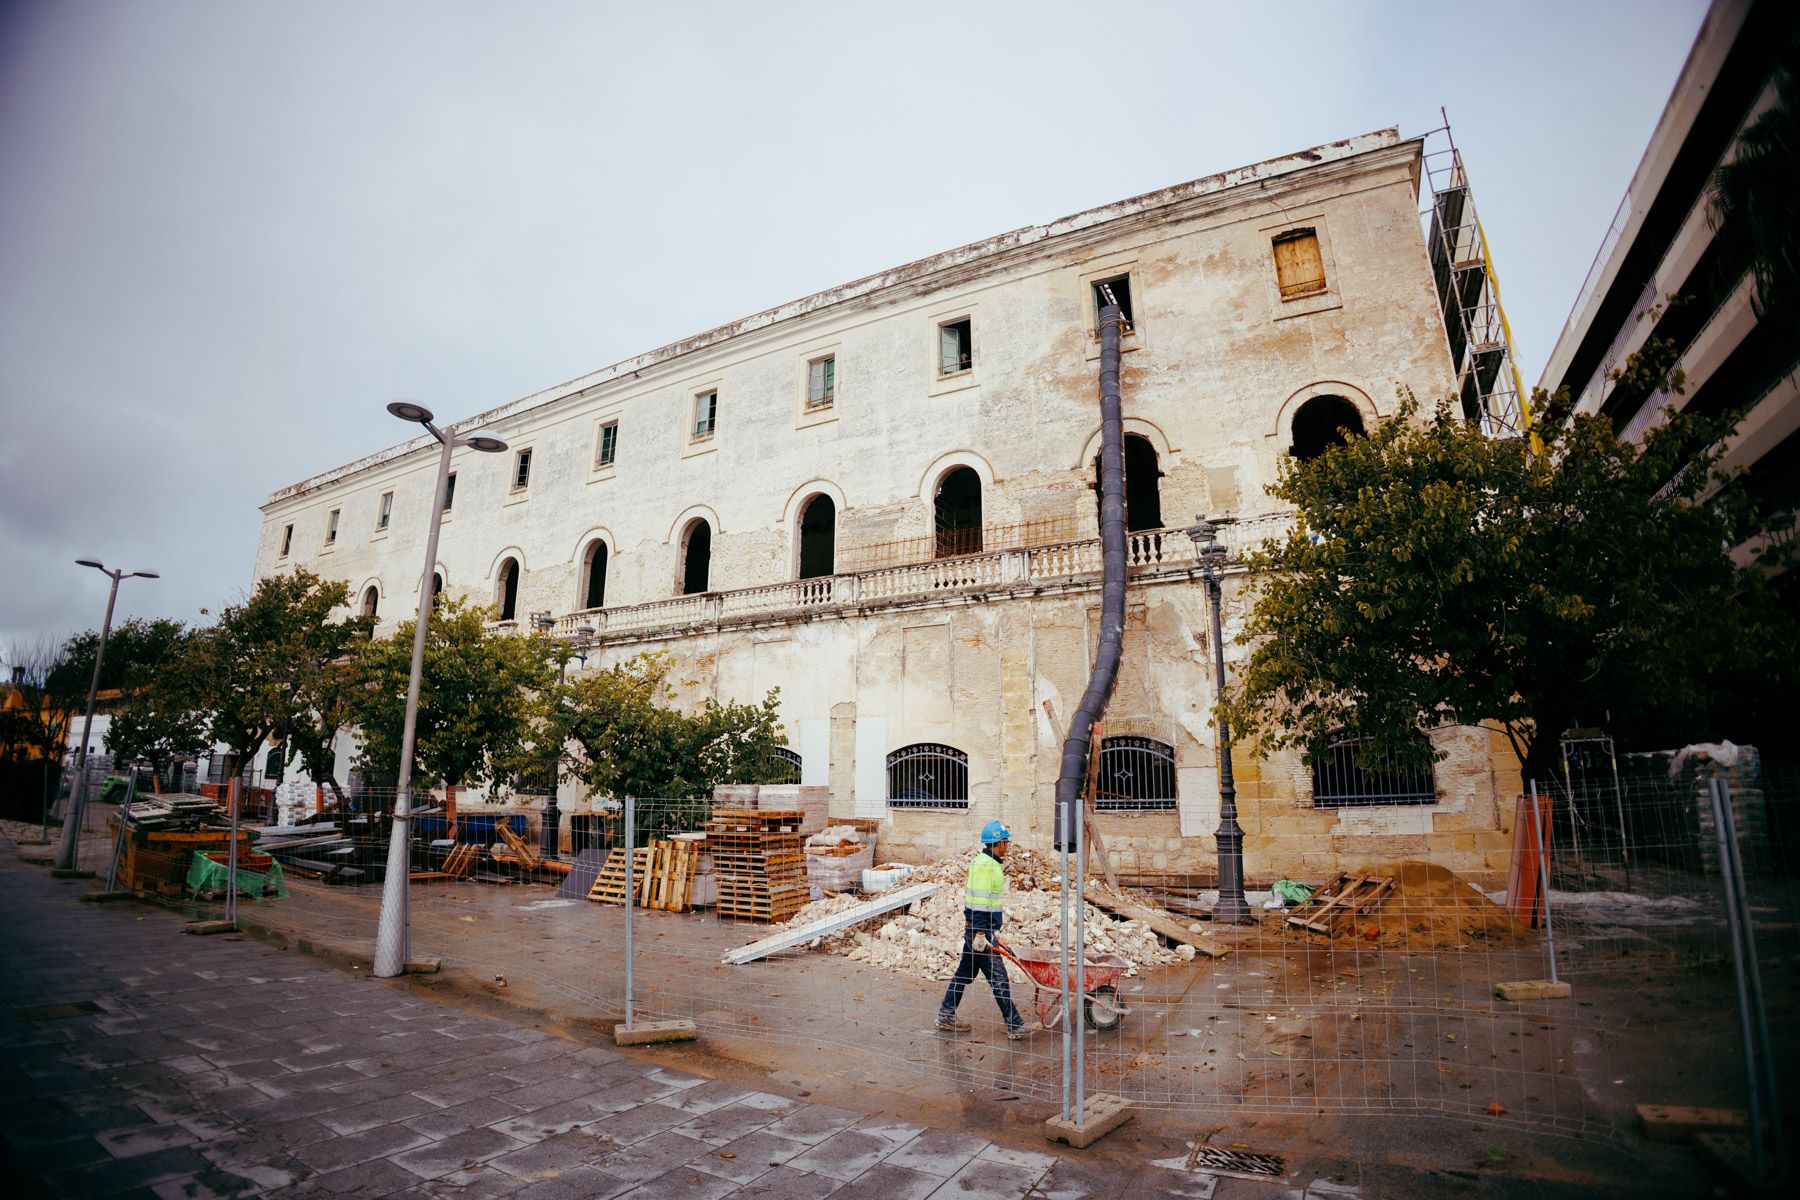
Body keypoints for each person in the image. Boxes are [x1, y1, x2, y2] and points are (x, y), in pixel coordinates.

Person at [936, 819, 1029, 1039]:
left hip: (980, 930)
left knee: (964, 974)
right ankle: (1015, 1025)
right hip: (980, 932)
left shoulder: (988, 863)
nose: (1008, 846)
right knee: (999, 978)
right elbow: (979, 903)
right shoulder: (986, 866)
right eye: (1006, 842)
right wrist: (980, 934)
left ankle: (945, 1015)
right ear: (998, 843)